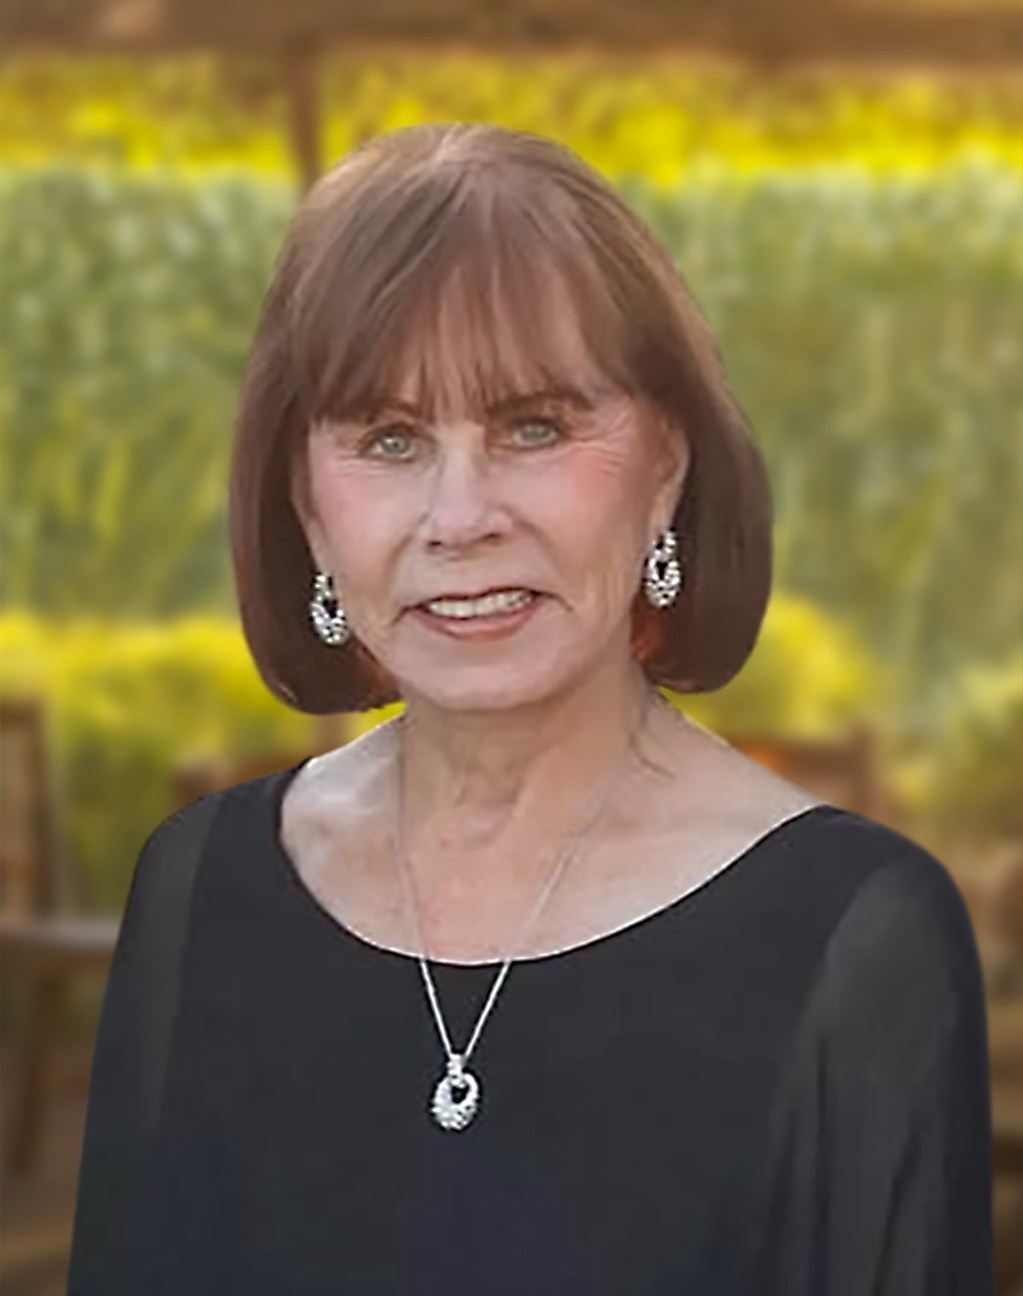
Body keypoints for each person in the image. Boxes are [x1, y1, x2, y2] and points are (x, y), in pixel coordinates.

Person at [66, 122, 994, 1294]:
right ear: (306, 504)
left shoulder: (861, 940)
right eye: (390, 439)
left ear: (666, 467)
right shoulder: (198, 891)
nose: (461, 518)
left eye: (534, 427)